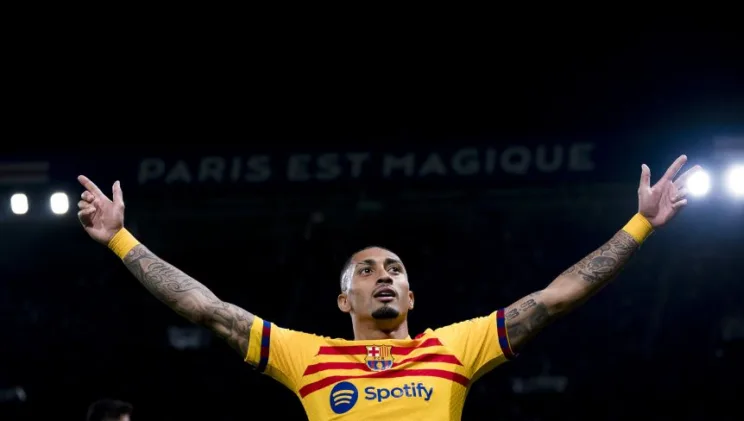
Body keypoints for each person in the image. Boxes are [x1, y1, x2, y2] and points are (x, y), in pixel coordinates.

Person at [76, 155, 699, 420]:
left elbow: (559, 295)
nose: (385, 277)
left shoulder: (454, 349)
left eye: (395, 269)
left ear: (411, 297)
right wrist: (121, 239)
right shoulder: (308, 357)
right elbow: (208, 309)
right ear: (343, 300)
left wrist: (641, 224)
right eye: (368, 270)